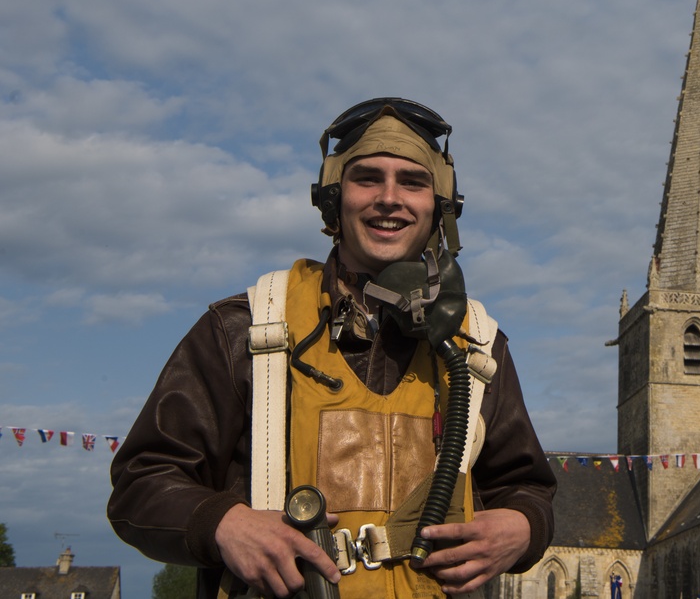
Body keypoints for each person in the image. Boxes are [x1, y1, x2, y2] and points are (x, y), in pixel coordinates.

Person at [108, 98, 557, 599]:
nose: (390, 198)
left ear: (440, 207)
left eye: (412, 182)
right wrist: (223, 523)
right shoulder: (244, 329)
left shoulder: (477, 343)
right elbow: (141, 482)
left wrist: (523, 527)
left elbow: (527, 486)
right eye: (368, 178)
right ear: (332, 199)